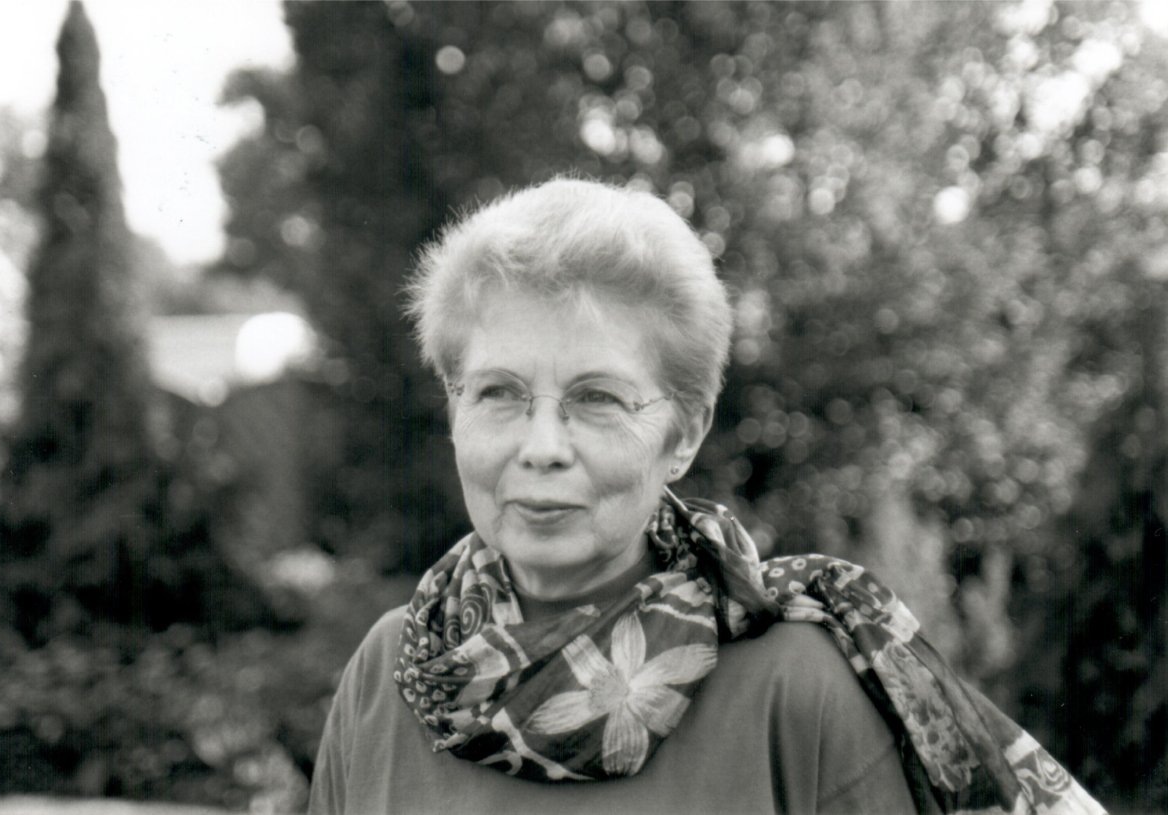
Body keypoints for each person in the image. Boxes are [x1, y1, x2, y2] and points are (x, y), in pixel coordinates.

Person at [308, 179, 1104, 814]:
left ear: (683, 434)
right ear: (453, 411)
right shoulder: (390, 671)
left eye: (597, 398)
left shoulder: (797, 689)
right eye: (498, 392)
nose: (542, 446)